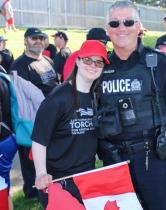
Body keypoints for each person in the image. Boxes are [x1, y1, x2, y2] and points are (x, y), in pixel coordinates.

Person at [95, 1, 166, 210]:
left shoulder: (158, 63)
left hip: (154, 161)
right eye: (114, 23)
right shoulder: (97, 67)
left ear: (139, 26)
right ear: (107, 30)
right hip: (113, 162)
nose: (121, 27)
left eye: (128, 21)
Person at [32, 40, 109, 208]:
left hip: (86, 178)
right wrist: (41, 173)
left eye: (98, 62)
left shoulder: (96, 97)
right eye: (88, 60)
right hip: (58, 181)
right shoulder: (58, 98)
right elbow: (39, 139)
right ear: (77, 61)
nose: (93, 65)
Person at [10, 27, 58, 199]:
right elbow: (21, 98)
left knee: (48, 155)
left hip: (53, 116)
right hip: (32, 119)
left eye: (40, 37)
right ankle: (32, 192)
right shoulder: (19, 66)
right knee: (30, 157)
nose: (38, 41)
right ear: (25, 41)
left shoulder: (47, 61)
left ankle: (49, 186)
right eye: (33, 38)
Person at [0, 69, 17, 210]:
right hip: (8, 137)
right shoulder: (3, 75)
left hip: (2, 140)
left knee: (2, 187)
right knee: (3, 184)